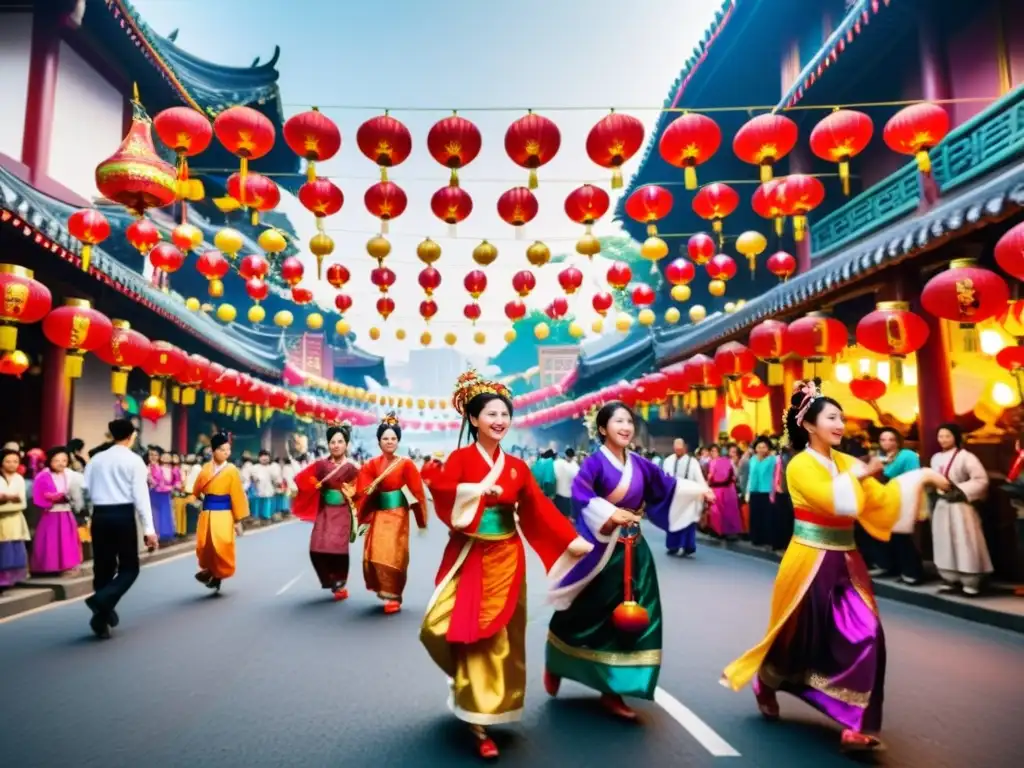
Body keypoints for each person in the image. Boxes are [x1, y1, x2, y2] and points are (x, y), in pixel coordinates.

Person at [720, 380, 949, 753]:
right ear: (810, 425)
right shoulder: (799, 467)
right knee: (796, 639)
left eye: (841, 417)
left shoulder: (847, 462)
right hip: (809, 562)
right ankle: (767, 680)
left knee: (867, 633)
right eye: (831, 417)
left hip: (847, 561)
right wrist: (859, 475)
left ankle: (854, 722)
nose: (840, 424)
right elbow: (834, 502)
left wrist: (921, 477)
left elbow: (881, 500)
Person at [419, 370, 591, 759]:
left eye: (504, 414)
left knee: (497, 635)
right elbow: (443, 491)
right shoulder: (460, 460)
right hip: (470, 552)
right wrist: (475, 490)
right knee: (449, 626)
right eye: (491, 414)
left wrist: (572, 540)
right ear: (474, 419)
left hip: (507, 556)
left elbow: (539, 509)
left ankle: (482, 716)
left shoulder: (516, 466)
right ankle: (468, 687)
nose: (499, 421)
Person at [545, 402, 712, 721]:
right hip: (602, 548)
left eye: (629, 421)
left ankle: (614, 688)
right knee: (585, 610)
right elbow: (581, 498)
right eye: (617, 421)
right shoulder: (594, 464)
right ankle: (558, 659)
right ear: (603, 428)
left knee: (639, 612)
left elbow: (668, 484)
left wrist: (698, 492)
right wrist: (609, 514)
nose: (625, 426)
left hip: (635, 548)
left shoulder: (640, 463)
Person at [82, 419, 156, 639]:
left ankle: (102, 619)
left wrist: (88, 515)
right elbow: (141, 497)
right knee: (129, 568)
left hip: (100, 515)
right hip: (123, 515)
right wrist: (149, 529)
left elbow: (85, 490)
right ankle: (101, 602)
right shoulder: (134, 461)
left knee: (103, 567)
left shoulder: (95, 459)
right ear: (132, 435)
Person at [354, 413, 428, 614]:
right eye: (385, 438)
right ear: (379, 441)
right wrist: (365, 494)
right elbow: (362, 488)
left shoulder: (406, 464)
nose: (389, 442)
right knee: (376, 551)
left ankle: (394, 594)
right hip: (379, 513)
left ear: (398, 441)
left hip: (398, 514)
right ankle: (384, 589)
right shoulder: (371, 464)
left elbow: (417, 493)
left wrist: (421, 520)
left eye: (393, 438)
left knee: (394, 553)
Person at [293, 425, 360, 600]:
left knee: (337, 548)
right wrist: (314, 484)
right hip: (325, 511)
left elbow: (361, 488)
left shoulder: (352, 468)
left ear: (346, 444)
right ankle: (329, 579)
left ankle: (340, 581)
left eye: (340, 442)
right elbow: (302, 478)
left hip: (342, 512)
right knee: (316, 548)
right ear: (328, 444)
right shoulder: (321, 465)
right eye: (332, 442)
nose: (336, 445)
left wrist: (352, 491)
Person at [929, 423, 991, 596]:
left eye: (947, 436)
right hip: (943, 505)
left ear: (955, 437)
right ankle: (949, 577)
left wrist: (960, 491)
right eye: (940, 436)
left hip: (960, 506)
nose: (943, 440)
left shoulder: (966, 457)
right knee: (944, 541)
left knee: (965, 540)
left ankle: (970, 580)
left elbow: (981, 480)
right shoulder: (935, 458)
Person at [192, 434, 249, 592]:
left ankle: (217, 575)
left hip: (224, 513)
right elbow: (196, 489)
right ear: (213, 451)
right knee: (206, 546)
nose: (226, 452)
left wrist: (238, 520)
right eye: (222, 449)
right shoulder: (205, 469)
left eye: (228, 449)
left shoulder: (231, 470)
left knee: (222, 544)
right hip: (207, 512)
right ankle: (211, 572)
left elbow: (237, 495)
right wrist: (196, 499)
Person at [875, 428, 925, 584]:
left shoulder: (907, 455)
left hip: (905, 499)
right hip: (887, 500)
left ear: (898, 441)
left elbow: (914, 477)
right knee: (891, 537)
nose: (887, 443)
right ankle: (898, 568)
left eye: (891, 439)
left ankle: (913, 572)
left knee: (902, 537)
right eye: (883, 439)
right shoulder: (881, 456)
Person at [31, 446, 84, 575]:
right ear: (50, 461)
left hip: (66, 512)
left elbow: (79, 492)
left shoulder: (70, 475)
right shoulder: (42, 476)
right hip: (50, 513)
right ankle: (47, 567)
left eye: (64, 460)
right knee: (50, 541)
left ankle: (67, 565)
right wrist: (50, 498)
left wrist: (72, 499)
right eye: (57, 460)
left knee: (67, 540)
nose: (61, 463)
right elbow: (38, 495)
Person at [660, 437, 708, 556]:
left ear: (684, 448)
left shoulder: (692, 462)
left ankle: (688, 546)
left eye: (680, 448)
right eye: (676, 448)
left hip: (689, 495)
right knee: (673, 521)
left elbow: (699, 478)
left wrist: (705, 491)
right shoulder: (668, 461)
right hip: (673, 495)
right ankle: (673, 546)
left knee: (688, 521)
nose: (678, 450)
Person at [0, 449, 29, 592]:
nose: (12, 464)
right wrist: (12, 500)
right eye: (8, 461)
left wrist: (6, 500)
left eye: (15, 461)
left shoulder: (19, 478)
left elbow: (23, 504)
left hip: (15, 521)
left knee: (12, 550)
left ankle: (9, 580)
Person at [705, 444, 743, 539]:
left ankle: (730, 532)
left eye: (715, 451)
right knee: (716, 511)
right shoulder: (710, 462)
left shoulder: (728, 462)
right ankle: (717, 531)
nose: (713, 453)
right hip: (716, 489)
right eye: (711, 451)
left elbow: (735, 475)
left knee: (729, 511)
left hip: (727, 490)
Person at [746, 437, 778, 547]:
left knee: (766, 516)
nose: (761, 449)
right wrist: (747, 491)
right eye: (759, 447)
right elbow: (750, 476)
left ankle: (767, 539)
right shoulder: (753, 459)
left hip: (767, 491)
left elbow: (775, 476)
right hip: (754, 490)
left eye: (764, 447)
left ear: (768, 448)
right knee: (755, 515)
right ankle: (755, 538)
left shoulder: (773, 460)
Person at [147, 448, 177, 544]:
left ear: (159, 457)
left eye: (155, 455)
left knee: (164, 514)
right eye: (151, 455)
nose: (153, 457)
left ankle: (164, 534)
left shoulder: (162, 468)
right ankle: (155, 534)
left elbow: (163, 482)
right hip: (152, 493)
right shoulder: (146, 467)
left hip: (162, 493)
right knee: (154, 514)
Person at [553, 448, 579, 519]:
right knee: (565, 518)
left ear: (565, 454)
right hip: (568, 497)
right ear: (573, 456)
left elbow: (554, 476)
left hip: (557, 495)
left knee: (556, 516)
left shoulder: (558, 463)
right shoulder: (575, 467)